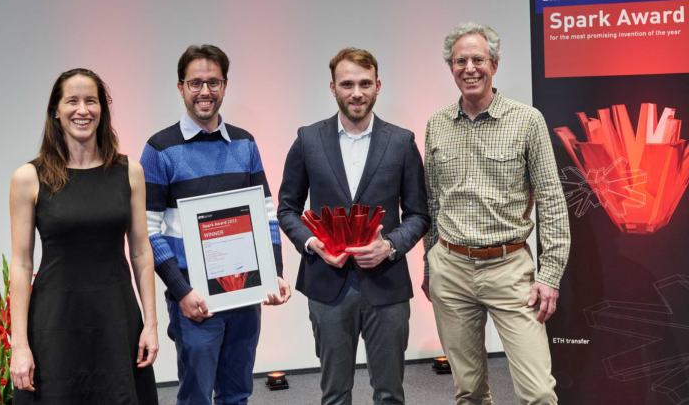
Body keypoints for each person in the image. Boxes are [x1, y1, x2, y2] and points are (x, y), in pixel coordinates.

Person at [422, 23, 571, 405]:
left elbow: (552, 201)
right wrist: (429, 265)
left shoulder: (527, 120)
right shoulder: (437, 124)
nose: (469, 68)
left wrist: (550, 275)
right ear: (451, 67)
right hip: (451, 269)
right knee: (469, 392)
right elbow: (432, 201)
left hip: (509, 269)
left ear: (495, 64)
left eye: (478, 59)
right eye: (460, 61)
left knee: (538, 393)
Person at [278, 47, 429, 405]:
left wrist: (389, 246)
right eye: (347, 84)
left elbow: (420, 214)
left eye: (364, 83)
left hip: (387, 285)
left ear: (377, 86)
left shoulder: (401, 141)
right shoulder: (308, 139)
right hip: (327, 285)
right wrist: (314, 244)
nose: (356, 92)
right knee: (334, 394)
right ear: (333, 88)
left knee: (390, 393)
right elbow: (287, 209)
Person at [141, 44, 291, 405]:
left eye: (213, 82)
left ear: (225, 86)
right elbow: (148, 230)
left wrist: (274, 273)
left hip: (245, 293)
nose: (204, 92)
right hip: (195, 300)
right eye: (195, 83)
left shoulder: (245, 143)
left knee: (238, 392)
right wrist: (181, 292)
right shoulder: (159, 149)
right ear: (180, 87)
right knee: (195, 397)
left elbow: (266, 213)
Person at [9, 69, 159, 404]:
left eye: (91, 101)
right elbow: (21, 264)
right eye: (72, 101)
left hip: (117, 321)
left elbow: (140, 252)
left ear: (102, 110)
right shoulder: (28, 178)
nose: (82, 110)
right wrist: (19, 344)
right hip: (55, 322)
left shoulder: (130, 172)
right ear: (56, 112)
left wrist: (151, 323)